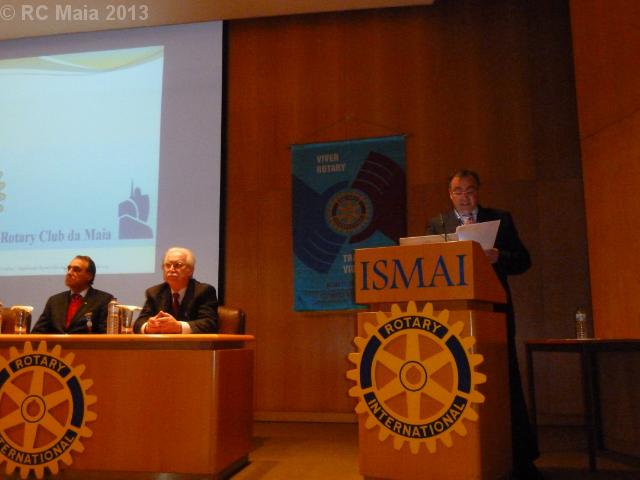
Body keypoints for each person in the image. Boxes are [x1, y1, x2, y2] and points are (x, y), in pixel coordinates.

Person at [427, 169, 541, 480]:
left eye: (469, 190)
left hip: (495, 311)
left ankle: (518, 458)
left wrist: (498, 256)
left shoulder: (499, 219)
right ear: (450, 194)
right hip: (454, 315)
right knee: (457, 381)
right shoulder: (437, 224)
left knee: (505, 380)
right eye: (458, 191)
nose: (464, 197)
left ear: (478, 192)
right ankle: (460, 454)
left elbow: (523, 260)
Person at [134, 247, 218, 333]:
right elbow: (139, 323)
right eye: (168, 265)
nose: (171, 269)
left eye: (178, 265)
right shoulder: (154, 293)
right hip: (162, 341)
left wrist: (179, 326)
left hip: (192, 341)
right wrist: (148, 327)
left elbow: (209, 323)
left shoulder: (204, 291)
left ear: (190, 270)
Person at [32, 255, 114, 334]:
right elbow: (37, 333)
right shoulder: (54, 301)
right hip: (57, 344)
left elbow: (106, 335)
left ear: (89, 276)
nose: (69, 273)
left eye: (76, 270)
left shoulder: (104, 300)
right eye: (69, 269)